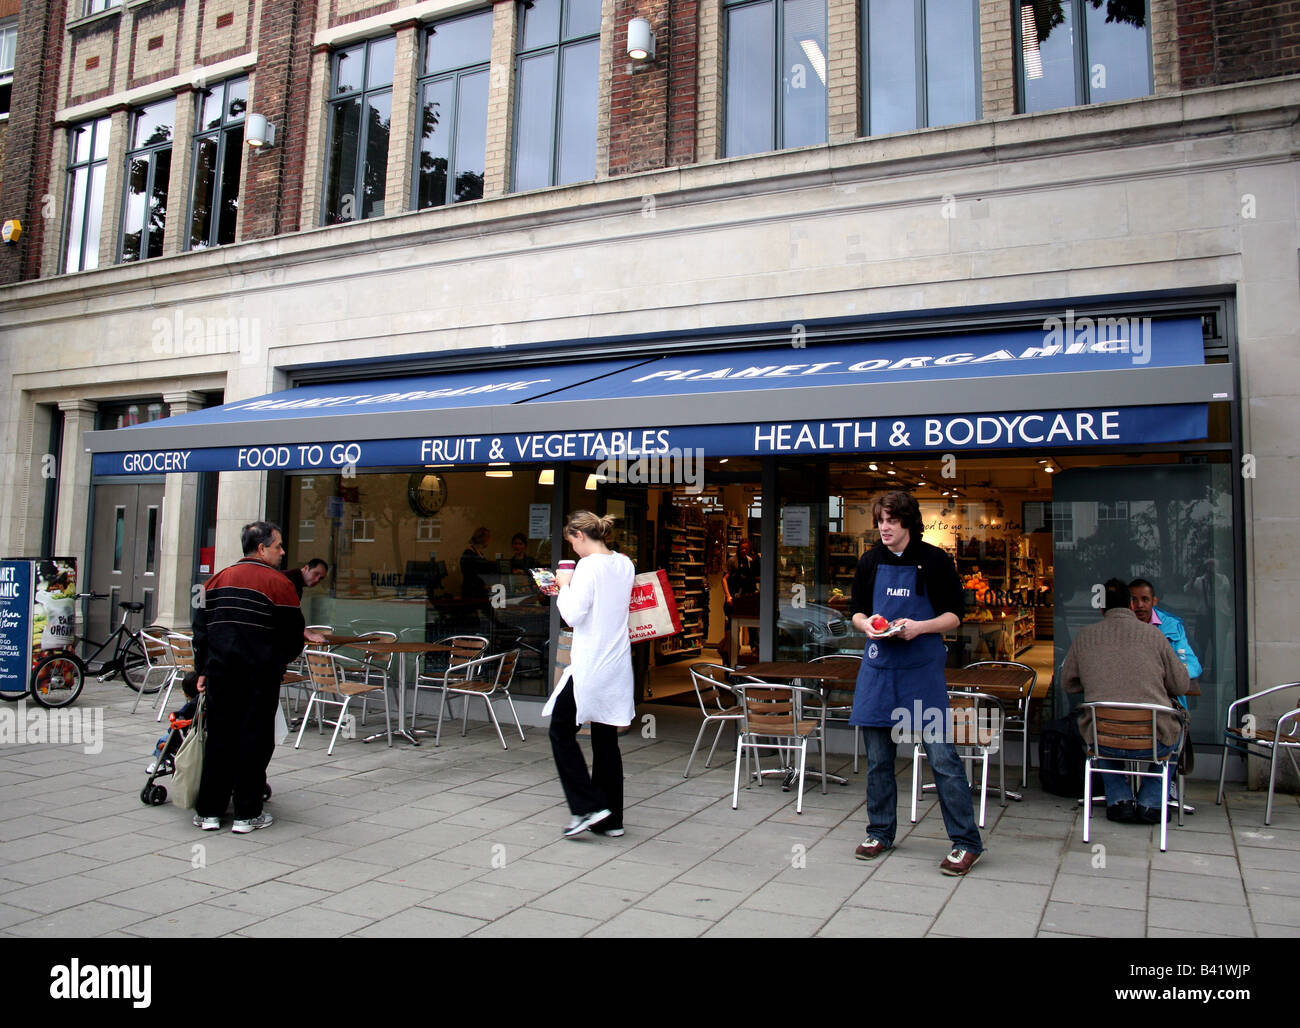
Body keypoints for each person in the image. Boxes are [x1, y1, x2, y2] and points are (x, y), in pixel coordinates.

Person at [848, 490, 983, 877]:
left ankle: (966, 842)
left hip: (921, 672)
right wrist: (867, 626)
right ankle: (880, 831)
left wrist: (919, 627)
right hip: (877, 669)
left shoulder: (935, 560)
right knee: (877, 761)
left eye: (891, 520)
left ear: (907, 522)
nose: (884, 528)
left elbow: (956, 615)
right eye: (880, 521)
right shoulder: (870, 561)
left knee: (942, 759)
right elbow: (857, 611)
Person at [192, 521, 305, 834]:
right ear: (261, 548)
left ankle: (209, 812)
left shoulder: (214, 581)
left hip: (221, 675)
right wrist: (277, 663)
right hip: (259, 677)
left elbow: (200, 630)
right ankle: (246, 813)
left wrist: (202, 668)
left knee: (219, 740)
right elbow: (293, 635)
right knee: (254, 742)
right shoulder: (279, 584)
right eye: (278, 546)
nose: (282, 552)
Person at [1061, 578, 1190, 825]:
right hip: (1152, 740)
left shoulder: (1085, 636)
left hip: (1103, 740)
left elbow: (1068, 683)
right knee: (1178, 730)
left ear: (1101, 608)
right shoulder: (1154, 635)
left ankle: (1119, 799)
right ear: (1131, 605)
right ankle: (1150, 802)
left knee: (1099, 723)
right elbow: (1181, 685)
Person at [543, 511, 635, 839]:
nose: (573, 551)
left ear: (580, 536)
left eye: (572, 543)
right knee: (606, 740)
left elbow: (573, 614)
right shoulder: (625, 563)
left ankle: (586, 807)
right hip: (617, 663)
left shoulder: (587, 567)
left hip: (590, 665)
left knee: (559, 730)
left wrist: (562, 587)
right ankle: (611, 821)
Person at [721, 537, 759, 660]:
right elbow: (724, 579)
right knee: (731, 628)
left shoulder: (750, 562)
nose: (744, 550)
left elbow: (753, 579)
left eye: (746, 548)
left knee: (752, 627)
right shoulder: (732, 561)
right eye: (742, 548)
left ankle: (755, 650)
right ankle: (730, 653)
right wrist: (728, 596)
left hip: (746, 600)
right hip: (733, 598)